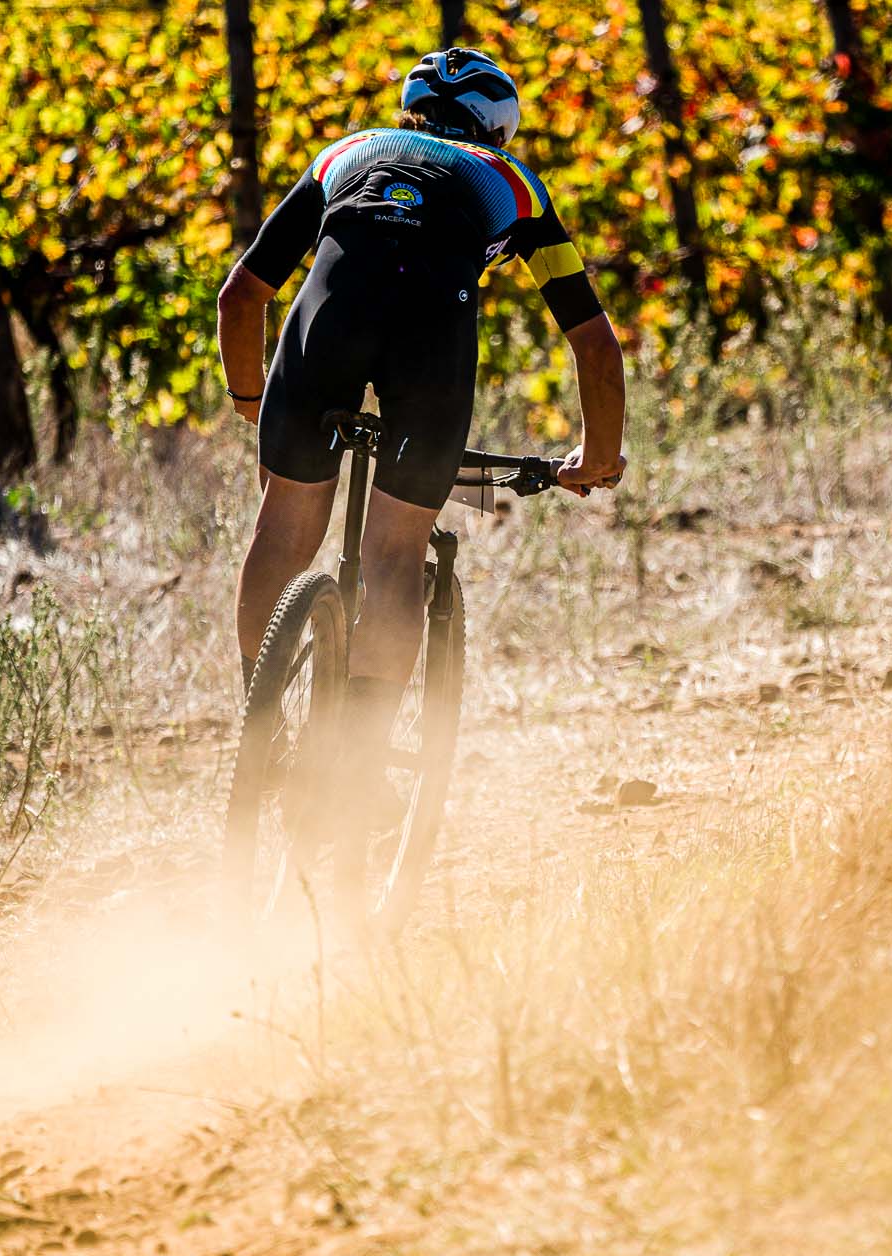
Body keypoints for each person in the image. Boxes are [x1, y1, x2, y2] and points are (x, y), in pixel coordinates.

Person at [216, 47, 626, 783]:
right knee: (394, 555)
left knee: (280, 533)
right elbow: (593, 343)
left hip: (327, 323)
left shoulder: (346, 153)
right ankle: (356, 774)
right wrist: (597, 458)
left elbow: (240, 296)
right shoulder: (513, 182)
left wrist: (254, 401)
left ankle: (260, 731)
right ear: (497, 130)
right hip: (431, 336)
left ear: (410, 112)